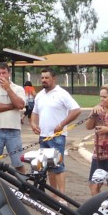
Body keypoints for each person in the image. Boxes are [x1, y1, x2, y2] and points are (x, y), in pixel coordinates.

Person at [30, 68, 81, 196]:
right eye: (42, 78)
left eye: (47, 78)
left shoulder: (61, 93)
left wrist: (62, 124)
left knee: (58, 167)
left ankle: (62, 196)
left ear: (53, 79)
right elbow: (34, 112)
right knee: (48, 167)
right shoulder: (40, 95)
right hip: (43, 136)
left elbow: (76, 110)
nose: (44, 80)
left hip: (57, 137)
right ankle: (54, 194)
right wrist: (33, 123)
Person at [0, 63, 27, 173]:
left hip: (14, 131)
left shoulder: (18, 89)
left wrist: (8, 88)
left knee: (18, 163)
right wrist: (13, 105)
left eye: (4, 73)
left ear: (9, 74)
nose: (1, 76)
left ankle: (23, 188)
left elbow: (21, 105)